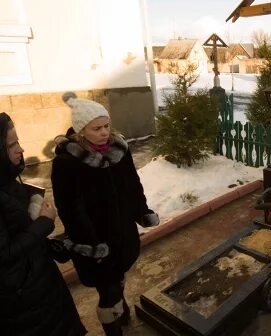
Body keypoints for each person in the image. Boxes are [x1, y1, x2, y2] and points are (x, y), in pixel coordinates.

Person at [51, 93, 159, 336]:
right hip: (94, 240)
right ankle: (114, 328)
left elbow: (133, 185)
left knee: (119, 278)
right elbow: (69, 209)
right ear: (80, 131)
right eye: (96, 128)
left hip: (122, 233)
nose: (103, 132)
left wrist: (141, 211)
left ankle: (122, 313)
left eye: (106, 126)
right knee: (107, 292)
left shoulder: (119, 149)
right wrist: (92, 244)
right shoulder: (67, 164)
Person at [0, 112, 86, 336]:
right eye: (11, 145)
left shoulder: (8, 180)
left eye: (18, 142)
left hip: (40, 285)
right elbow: (4, 253)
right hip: (22, 300)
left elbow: (17, 230)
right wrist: (44, 223)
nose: (21, 150)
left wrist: (47, 245)